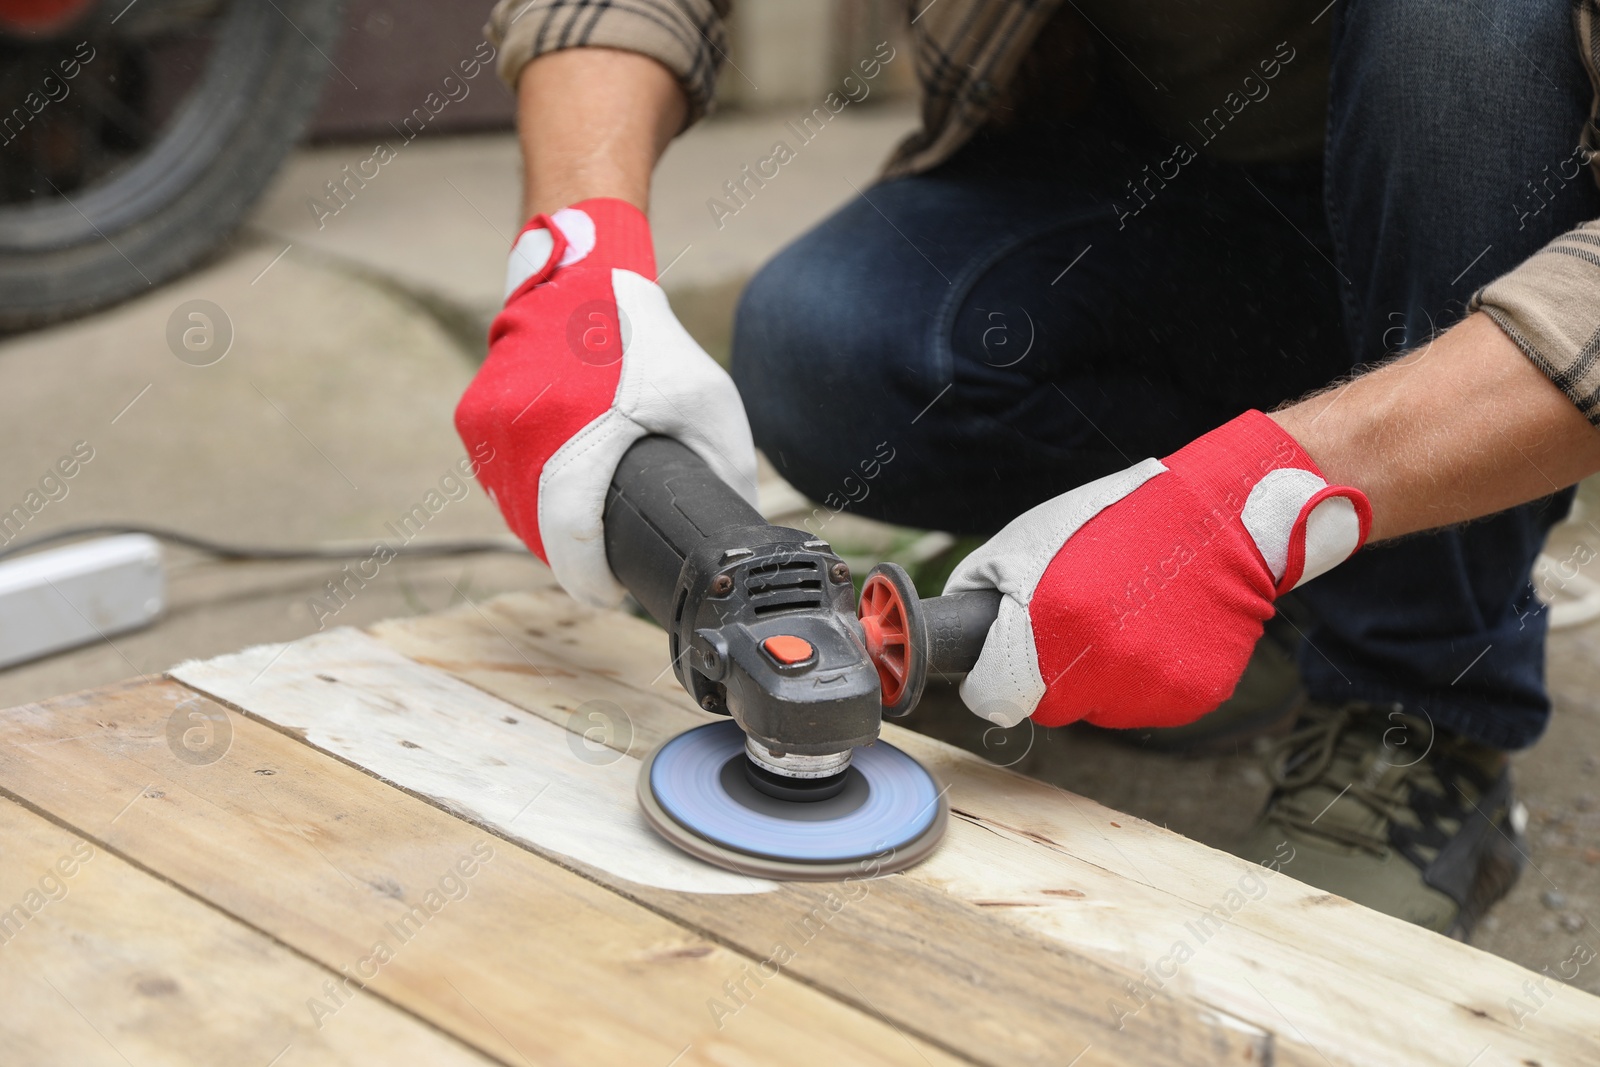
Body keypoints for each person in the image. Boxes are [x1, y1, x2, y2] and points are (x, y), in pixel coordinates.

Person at [453, 0, 1600, 939]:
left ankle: (1419, 699)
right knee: (828, 343)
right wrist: (572, 252)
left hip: (1500, 210)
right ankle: (1228, 609)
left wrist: (1257, 508)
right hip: (1165, 195)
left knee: (1473, 28)